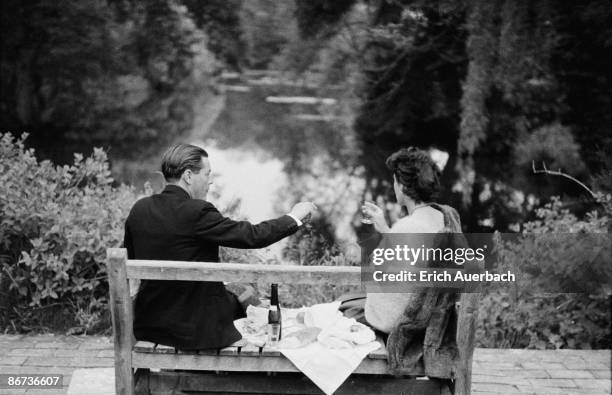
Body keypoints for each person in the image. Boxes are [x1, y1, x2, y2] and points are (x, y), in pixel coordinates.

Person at [123, 143, 316, 350]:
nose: (211, 181)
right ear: (188, 176)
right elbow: (253, 236)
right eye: (207, 174)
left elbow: (131, 257)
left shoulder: (139, 209)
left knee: (238, 294)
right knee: (246, 298)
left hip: (150, 325)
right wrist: (293, 217)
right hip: (193, 330)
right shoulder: (198, 211)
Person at [358, 147, 446, 334]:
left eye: (395, 182)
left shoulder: (408, 227)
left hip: (400, 323)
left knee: (342, 308)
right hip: (428, 315)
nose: (394, 187)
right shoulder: (441, 218)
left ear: (404, 187)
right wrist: (386, 230)